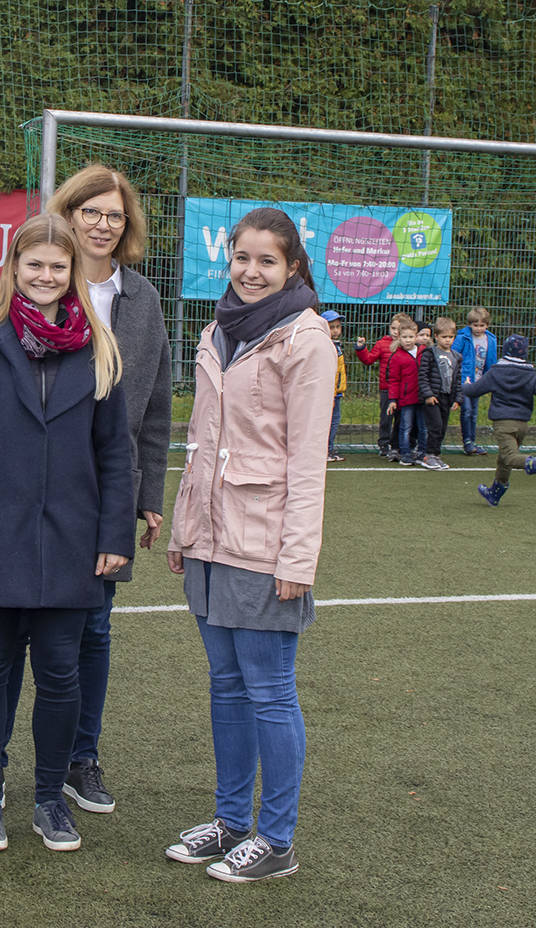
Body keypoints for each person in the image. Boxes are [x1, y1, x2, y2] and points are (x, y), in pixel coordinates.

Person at [0, 213, 134, 855]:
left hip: (72, 541)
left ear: (74, 273)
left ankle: (50, 799)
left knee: (60, 673)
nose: (45, 276)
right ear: (13, 268)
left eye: (57, 266)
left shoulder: (99, 348)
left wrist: (115, 535)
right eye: (34, 264)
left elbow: (115, 455)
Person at [0, 164, 170, 816]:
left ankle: (78, 759)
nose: (102, 224)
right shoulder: (33, 288)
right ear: (66, 214)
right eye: (90, 211)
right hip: (24, 494)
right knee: (7, 635)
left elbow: (154, 407)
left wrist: (147, 495)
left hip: (103, 497)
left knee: (92, 630)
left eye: (114, 215)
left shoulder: (142, 300)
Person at [165, 207, 332, 883]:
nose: (251, 271)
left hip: (264, 543)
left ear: (292, 266)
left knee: (269, 691)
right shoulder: (217, 329)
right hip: (210, 537)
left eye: (267, 260)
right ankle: (232, 821)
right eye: (242, 257)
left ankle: (278, 839)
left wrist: (297, 557)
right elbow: (201, 440)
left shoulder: (307, 338)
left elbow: (308, 462)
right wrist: (185, 526)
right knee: (227, 686)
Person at [461, 334, 536, 506]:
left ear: (504, 351)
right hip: (522, 425)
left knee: (510, 456)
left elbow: (473, 391)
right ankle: (495, 492)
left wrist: (466, 384)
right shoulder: (531, 375)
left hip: (503, 423)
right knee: (504, 459)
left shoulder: (496, 372)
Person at [356, 314, 412, 458]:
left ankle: (399, 445)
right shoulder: (382, 344)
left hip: (405, 390)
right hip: (387, 389)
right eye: (393, 328)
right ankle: (384, 444)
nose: (395, 332)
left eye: (399, 329)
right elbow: (369, 359)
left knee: (402, 419)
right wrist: (361, 348)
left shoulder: (409, 346)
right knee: (386, 418)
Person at [451, 306, 497, 456]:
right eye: (475, 325)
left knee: (474, 412)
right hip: (465, 381)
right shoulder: (463, 337)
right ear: (469, 324)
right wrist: (459, 377)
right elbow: (453, 356)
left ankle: (472, 441)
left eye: (482, 325)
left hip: (479, 381)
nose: (478, 328)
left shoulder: (490, 339)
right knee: (466, 410)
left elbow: (492, 361)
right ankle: (467, 442)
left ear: (487, 325)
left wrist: (491, 380)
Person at [417, 318, 461, 470]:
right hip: (433, 397)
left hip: (446, 397)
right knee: (435, 426)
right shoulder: (430, 353)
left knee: (442, 428)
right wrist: (428, 394)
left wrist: (458, 398)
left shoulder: (456, 357)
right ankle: (428, 455)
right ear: (436, 336)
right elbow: (423, 375)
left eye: (451, 337)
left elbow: (457, 379)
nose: (448, 340)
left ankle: (435, 455)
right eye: (444, 337)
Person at [386, 323, 423, 467]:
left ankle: (422, 453)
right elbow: (393, 380)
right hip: (406, 399)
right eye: (405, 337)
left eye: (411, 337)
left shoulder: (424, 352)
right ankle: (405, 453)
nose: (408, 340)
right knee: (405, 426)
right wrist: (393, 399)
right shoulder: (397, 356)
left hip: (422, 398)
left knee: (422, 427)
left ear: (416, 336)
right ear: (399, 338)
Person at [323, 310, 346, 463]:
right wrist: (331, 395)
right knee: (330, 421)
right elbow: (329, 373)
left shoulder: (336, 345)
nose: (336, 330)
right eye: (332, 327)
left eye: (338, 326)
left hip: (336, 392)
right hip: (330, 393)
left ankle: (329, 448)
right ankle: (326, 450)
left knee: (334, 420)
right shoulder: (327, 346)